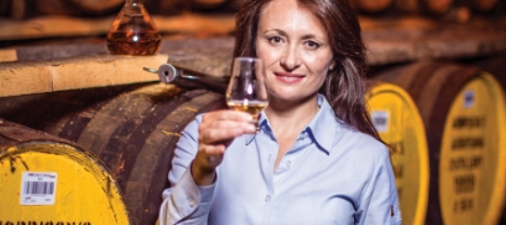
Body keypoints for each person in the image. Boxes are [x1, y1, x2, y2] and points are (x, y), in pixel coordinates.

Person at [158, 0, 401, 224]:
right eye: (276, 39)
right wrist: (202, 170)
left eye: (311, 44)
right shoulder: (202, 135)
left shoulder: (367, 158)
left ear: (334, 58)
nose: (290, 60)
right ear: (254, 44)